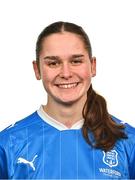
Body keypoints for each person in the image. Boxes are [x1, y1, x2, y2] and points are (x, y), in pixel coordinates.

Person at [0, 21, 135, 179]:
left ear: (93, 66)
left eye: (76, 61)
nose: (66, 73)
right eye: (53, 63)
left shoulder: (128, 141)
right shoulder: (8, 144)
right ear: (37, 70)